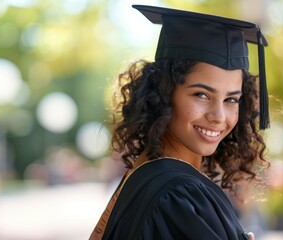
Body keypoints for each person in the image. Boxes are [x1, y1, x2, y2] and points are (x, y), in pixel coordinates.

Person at [91, 4, 270, 240]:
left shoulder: (149, 178)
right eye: (202, 95)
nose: (218, 116)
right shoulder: (179, 195)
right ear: (164, 94)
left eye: (231, 99)